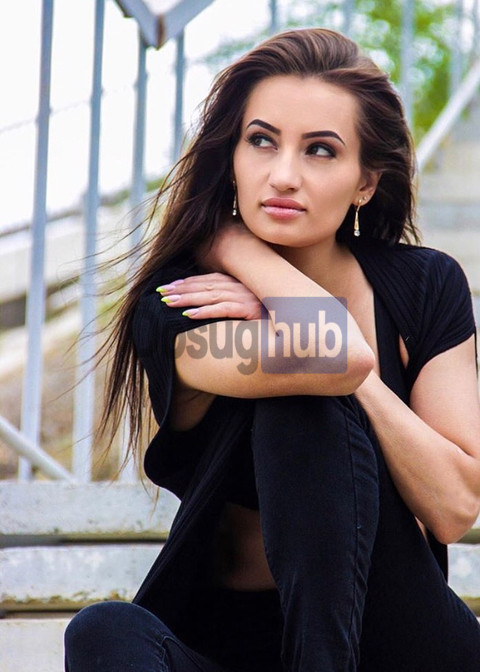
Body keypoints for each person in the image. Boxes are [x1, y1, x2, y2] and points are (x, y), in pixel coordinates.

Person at [64, 28, 480, 672]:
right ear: (231, 157)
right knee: (102, 632)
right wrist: (229, 250)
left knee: (312, 400)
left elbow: (453, 508)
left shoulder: (426, 285)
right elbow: (330, 356)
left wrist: (239, 249)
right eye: (261, 141)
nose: (283, 176)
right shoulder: (182, 302)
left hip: (397, 634)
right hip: (231, 641)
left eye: (321, 150)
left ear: (365, 182)